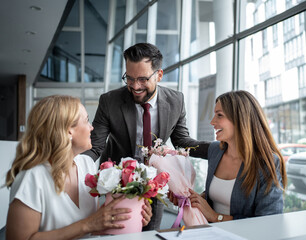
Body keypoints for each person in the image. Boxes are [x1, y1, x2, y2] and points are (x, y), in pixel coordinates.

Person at [81, 42, 209, 230]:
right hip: (119, 188)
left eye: (142, 79)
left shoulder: (176, 101)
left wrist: (217, 149)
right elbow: (95, 146)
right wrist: (71, 166)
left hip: (154, 186)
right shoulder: (110, 101)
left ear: (159, 75)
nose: (135, 86)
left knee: (150, 235)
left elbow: (183, 141)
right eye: (129, 78)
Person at [5, 95, 152, 240]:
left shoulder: (86, 164)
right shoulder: (31, 177)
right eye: (87, 120)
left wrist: (130, 214)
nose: (91, 127)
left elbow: (92, 229)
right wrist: (88, 224)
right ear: (69, 131)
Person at [169, 90, 287, 222]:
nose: (212, 122)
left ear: (240, 119)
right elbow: (218, 196)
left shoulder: (266, 163)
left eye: (219, 115)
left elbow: (270, 220)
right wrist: (190, 198)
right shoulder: (215, 151)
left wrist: (215, 216)